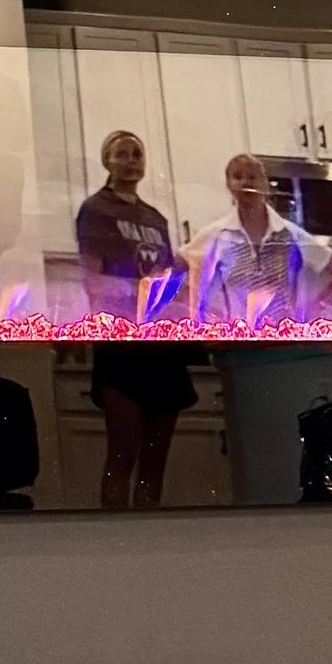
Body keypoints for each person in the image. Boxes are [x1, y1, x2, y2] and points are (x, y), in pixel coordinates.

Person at [74, 129, 197, 509]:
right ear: (107, 161)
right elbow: (92, 278)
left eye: (137, 154)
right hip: (121, 343)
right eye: (123, 154)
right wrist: (131, 296)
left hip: (161, 344)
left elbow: (165, 281)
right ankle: (115, 537)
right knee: (122, 452)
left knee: (155, 461)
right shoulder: (96, 210)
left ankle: (149, 538)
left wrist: (181, 282)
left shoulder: (155, 218)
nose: (131, 160)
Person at [197, 151, 332, 329]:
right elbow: (179, 275)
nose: (245, 183)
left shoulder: (290, 235)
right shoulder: (216, 236)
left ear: (264, 184)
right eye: (238, 176)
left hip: (285, 340)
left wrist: (316, 307)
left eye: (252, 177)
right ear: (228, 184)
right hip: (238, 344)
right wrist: (209, 314)